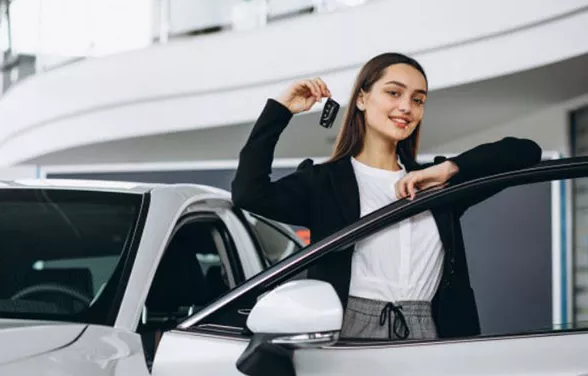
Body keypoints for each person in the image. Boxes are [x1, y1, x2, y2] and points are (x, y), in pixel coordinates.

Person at [232, 52, 542, 341]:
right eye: (394, 93)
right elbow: (249, 193)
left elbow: (526, 152)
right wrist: (280, 109)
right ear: (363, 99)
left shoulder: (435, 183)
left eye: (418, 100)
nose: (407, 107)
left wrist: (448, 169)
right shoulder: (324, 183)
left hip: (433, 329)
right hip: (349, 329)